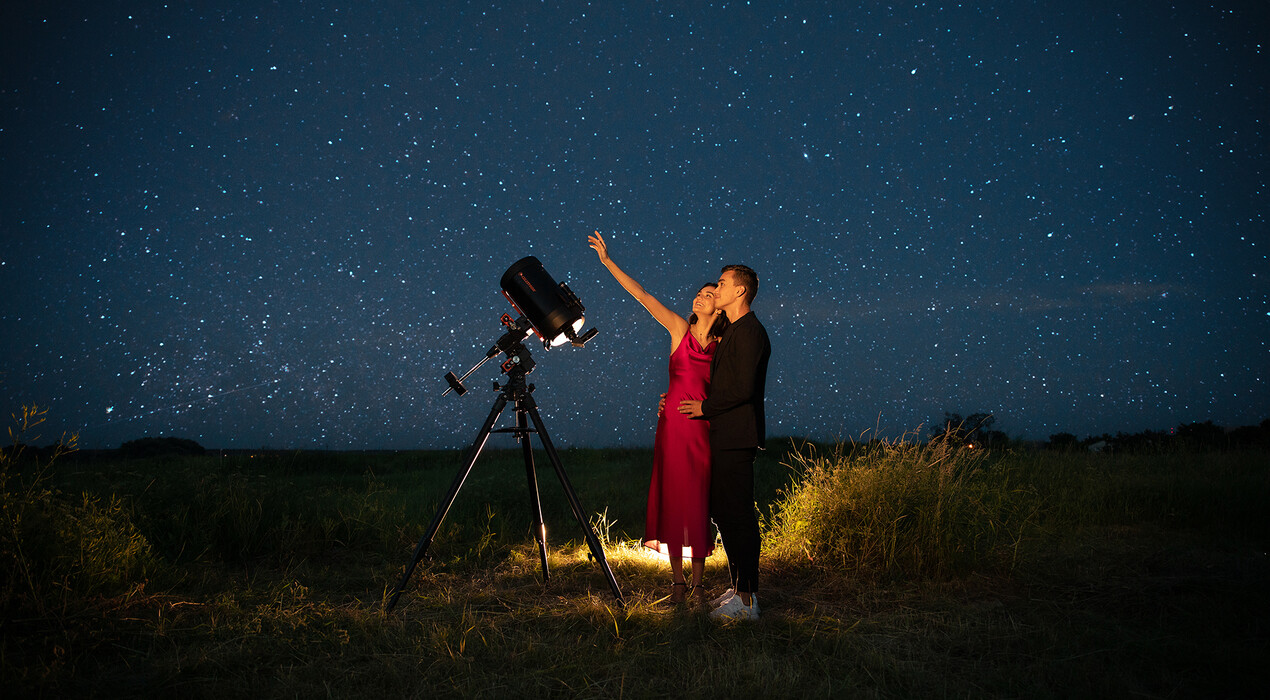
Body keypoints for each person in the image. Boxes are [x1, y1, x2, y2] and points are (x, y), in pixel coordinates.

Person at [588, 231, 727, 604]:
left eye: (709, 295)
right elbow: (643, 296)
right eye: (699, 293)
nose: (699, 296)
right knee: (673, 500)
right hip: (672, 429)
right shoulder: (679, 330)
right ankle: (679, 585)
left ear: (720, 307)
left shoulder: (721, 347)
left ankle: (700, 586)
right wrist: (607, 261)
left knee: (696, 503)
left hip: (701, 430)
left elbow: (726, 390)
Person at [678, 264, 770, 621]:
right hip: (724, 435)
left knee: (739, 517)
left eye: (722, 283)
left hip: (736, 437)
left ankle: (747, 600)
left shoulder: (750, 332)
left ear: (740, 292)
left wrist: (705, 407)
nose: (716, 288)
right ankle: (739, 590)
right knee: (726, 515)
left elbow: (742, 388)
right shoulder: (733, 330)